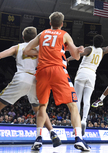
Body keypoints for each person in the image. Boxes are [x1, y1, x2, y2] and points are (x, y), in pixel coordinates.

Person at [0, 27, 61, 150]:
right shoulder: (43, 49)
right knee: (39, 110)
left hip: (22, 78)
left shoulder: (18, 47)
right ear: (36, 38)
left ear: (23, 37)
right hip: (37, 80)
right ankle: (53, 133)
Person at [24, 12, 90, 151]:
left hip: (41, 72)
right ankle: (79, 138)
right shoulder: (64, 34)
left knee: (42, 107)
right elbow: (76, 57)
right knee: (73, 106)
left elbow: (26, 50)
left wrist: (41, 52)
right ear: (62, 24)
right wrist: (79, 50)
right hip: (58, 71)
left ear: (50, 23)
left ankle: (38, 139)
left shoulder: (42, 34)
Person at [67, 35, 108, 135]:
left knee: (77, 98)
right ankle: (84, 120)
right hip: (92, 74)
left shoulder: (89, 49)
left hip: (82, 72)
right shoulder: (103, 50)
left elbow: (78, 54)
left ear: (93, 41)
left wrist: (68, 59)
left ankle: (77, 121)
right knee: (87, 99)